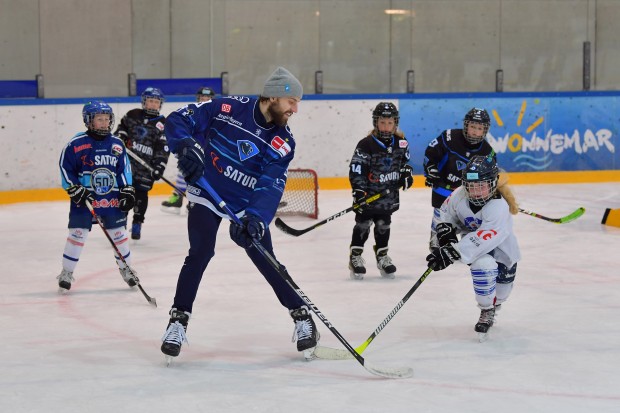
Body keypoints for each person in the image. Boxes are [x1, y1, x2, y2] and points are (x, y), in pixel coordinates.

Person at [159, 67, 320, 361]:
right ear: (273, 96)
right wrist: (185, 145)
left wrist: (257, 218)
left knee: (265, 257)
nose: (295, 109)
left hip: (245, 205)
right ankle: (178, 321)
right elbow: (179, 119)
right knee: (200, 252)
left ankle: (301, 315)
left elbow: (271, 184)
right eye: (291, 101)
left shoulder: (283, 142)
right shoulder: (226, 108)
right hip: (208, 194)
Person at [425, 155, 521, 339]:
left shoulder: (498, 207)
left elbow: (483, 239)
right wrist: (445, 231)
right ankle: (486, 310)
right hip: (476, 250)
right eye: (471, 186)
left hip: (503, 251)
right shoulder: (460, 194)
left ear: (493, 183)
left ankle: (494, 305)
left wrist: (452, 252)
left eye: (481, 186)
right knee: (483, 267)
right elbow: (444, 212)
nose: (475, 192)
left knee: (501, 294)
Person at [57, 101, 137, 292]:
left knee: (118, 234)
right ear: (88, 121)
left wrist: (127, 190)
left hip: (111, 197)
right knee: (77, 234)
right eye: (99, 119)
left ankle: (127, 268)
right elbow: (65, 168)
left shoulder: (117, 144)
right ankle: (67, 272)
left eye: (106, 119)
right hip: (85, 198)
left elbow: (123, 170)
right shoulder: (76, 144)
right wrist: (74, 188)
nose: (104, 123)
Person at [347, 102, 413, 280]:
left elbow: (405, 164)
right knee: (363, 224)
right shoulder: (366, 144)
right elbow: (357, 168)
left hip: (388, 197)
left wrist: (406, 174)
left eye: (390, 123)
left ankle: (382, 256)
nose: (386, 126)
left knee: (384, 224)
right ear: (376, 122)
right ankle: (355, 256)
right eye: (382, 122)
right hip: (368, 196)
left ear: (395, 123)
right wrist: (359, 191)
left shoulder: (401, 143)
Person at [423, 107, 496, 252]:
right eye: (472, 126)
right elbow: (430, 155)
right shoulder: (449, 137)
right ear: (466, 125)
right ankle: (437, 236)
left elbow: (491, 176)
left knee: (469, 214)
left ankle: (468, 238)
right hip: (443, 187)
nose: (475, 131)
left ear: (485, 130)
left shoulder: (487, 151)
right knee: (441, 213)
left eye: (479, 128)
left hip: (469, 193)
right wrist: (431, 171)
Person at [115, 87, 169, 239]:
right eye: (150, 101)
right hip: (127, 164)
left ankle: (138, 222)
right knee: (125, 191)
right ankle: (121, 221)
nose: (153, 104)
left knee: (141, 194)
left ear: (160, 104)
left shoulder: (163, 124)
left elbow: (163, 148)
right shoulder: (133, 114)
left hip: (146, 168)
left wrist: (159, 166)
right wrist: (121, 136)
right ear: (144, 102)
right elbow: (122, 128)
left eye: (156, 102)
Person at [161, 86, 217, 214]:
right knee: (185, 168)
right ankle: (179, 197)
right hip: (193, 146)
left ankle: (196, 201)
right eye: (203, 97)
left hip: (208, 149)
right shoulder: (193, 111)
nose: (205, 99)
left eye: (208, 97)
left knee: (203, 174)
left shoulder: (215, 114)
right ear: (198, 98)